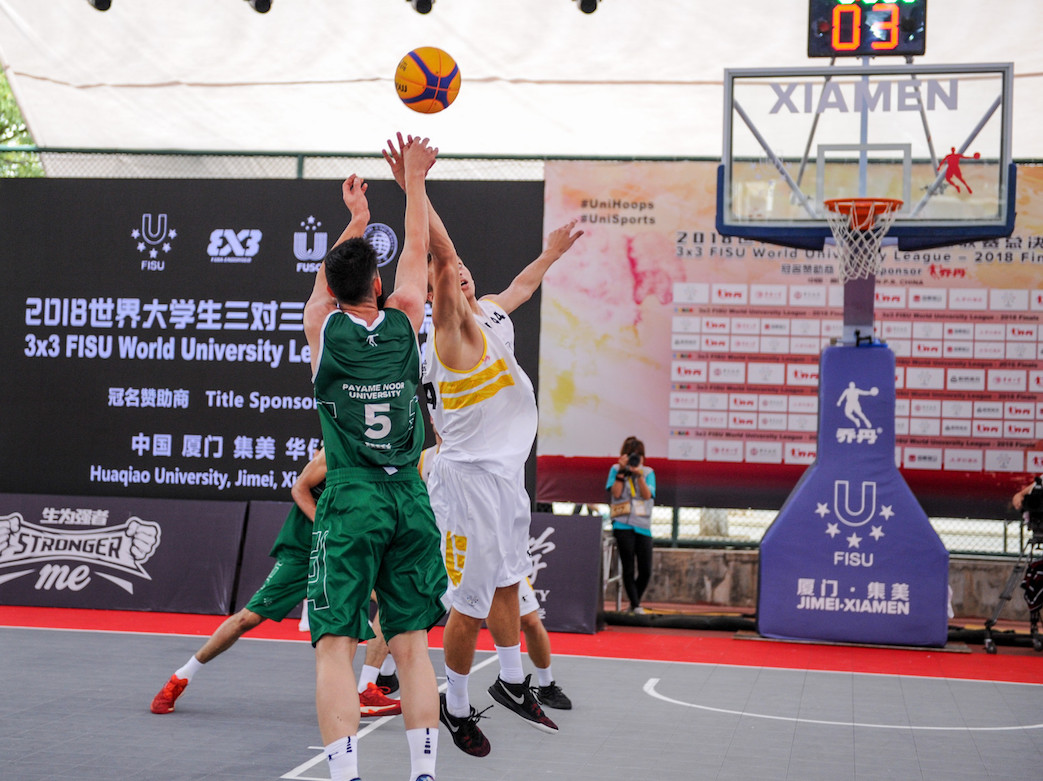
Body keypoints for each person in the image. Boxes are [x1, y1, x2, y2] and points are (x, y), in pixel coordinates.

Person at [383, 132, 583, 757]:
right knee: (468, 607)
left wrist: (550, 255)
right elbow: (441, 255)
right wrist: (415, 185)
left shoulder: (490, 312)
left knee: (505, 585)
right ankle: (455, 704)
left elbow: (520, 286)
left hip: (502, 478)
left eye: (466, 270)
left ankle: (513, 682)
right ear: (441, 292)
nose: (462, 273)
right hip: (466, 484)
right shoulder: (448, 334)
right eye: (451, 274)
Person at [302, 139, 448, 781]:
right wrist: (413, 180)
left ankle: (346, 776)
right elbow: (417, 245)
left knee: (335, 646)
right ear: (380, 285)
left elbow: (326, 284)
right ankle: (423, 774)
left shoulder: (323, 327)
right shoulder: (406, 317)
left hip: (353, 498)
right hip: (409, 499)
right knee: (412, 647)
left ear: (333, 290)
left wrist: (356, 219)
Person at [148, 448, 401, 718]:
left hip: (341, 557)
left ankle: (367, 686)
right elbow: (299, 489)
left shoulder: (380, 466)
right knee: (247, 619)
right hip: (304, 553)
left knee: (391, 602)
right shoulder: (333, 454)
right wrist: (325, 527)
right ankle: (181, 677)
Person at [419, 442, 572, 711]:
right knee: (432, 615)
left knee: (530, 619)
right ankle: (383, 677)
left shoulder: (499, 446)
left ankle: (544, 684)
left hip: (497, 540)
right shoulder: (429, 460)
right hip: (455, 546)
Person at [606, 436, 656, 615]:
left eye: (638, 455)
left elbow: (647, 495)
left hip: (642, 525)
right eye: (631, 455)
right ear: (623, 456)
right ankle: (636, 606)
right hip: (622, 524)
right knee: (627, 567)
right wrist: (622, 472)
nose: (634, 459)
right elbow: (616, 493)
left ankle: (635, 604)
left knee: (645, 569)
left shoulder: (648, 472)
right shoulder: (615, 469)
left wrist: (639, 475)